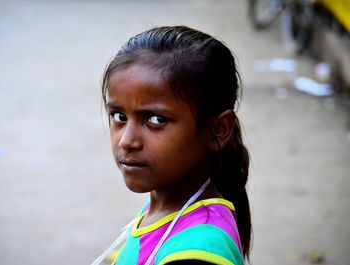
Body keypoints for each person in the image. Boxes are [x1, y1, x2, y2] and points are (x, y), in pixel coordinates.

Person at [98, 25, 251, 265]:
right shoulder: (165, 209)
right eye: (119, 117)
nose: (127, 141)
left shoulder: (195, 253)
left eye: (156, 120)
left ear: (217, 130)